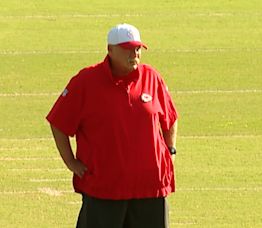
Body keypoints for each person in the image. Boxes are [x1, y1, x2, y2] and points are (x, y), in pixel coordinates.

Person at [46, 23, 178, 228]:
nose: (134, 54)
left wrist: (170, 150)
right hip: (105, 187)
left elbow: (170, 118)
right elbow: (58, 122)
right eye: (127, 49)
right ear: (110, 49)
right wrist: (70, 162)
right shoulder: (86, 81)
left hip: (150, 186)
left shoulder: (152, 77)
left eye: (137, 49)